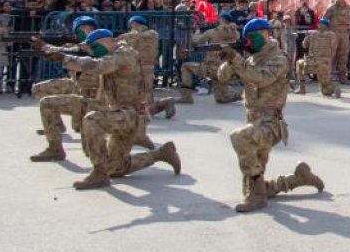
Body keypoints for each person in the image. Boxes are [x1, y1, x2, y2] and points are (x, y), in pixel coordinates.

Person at [31, 28, 180, 188]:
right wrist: (48, 48)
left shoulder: (124, 55)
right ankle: (55, 148)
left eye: (94, 48)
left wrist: (65, 59)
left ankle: (102, 173)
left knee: (95, 126)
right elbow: (78, 51)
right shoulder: (111, 52)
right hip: (108, 107)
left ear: (107, 42)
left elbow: (99, 66)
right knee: (49, 103)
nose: (93, 52)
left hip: (130, 114)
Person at [221, 18, 324, 212]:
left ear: (265, 34)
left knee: (239, 137)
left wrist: (237, 61)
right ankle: (297, 179)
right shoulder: (251, 59)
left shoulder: (279, 58)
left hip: (270, 123)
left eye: (251, 38)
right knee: (254, 182)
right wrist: (229, 60)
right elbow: (222, 77)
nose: (249, 42)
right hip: (253, 121)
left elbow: (261, 78)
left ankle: (257, 198)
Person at [181, 11, 243, 104]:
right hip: (227, 69)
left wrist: (196, 31)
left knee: (185, 67)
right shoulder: (235, 33)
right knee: (221, 98)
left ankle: (186, 97)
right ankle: (242, 95)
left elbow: (196, 41)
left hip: (211, 67)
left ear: (221, 20)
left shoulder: (213, 32)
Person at [297, 18, 340, 97]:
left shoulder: (329, 35)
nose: (320, 25)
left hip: (318, 61)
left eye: (321, 24)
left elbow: (304, 45)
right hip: (318, 61)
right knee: (300, 63)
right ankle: (302, 87)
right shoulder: (314, 34)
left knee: (326, 91)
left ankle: (333, 86)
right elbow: (304, 45)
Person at [322, 0, 350, 84]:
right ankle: (326, 77)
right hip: (334, 34)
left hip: (345, 34)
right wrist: (325, 32)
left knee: (343, 56)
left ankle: (343, 78)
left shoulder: (348, 8)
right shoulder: (331, 8)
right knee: (330, 56)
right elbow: (323, 20)